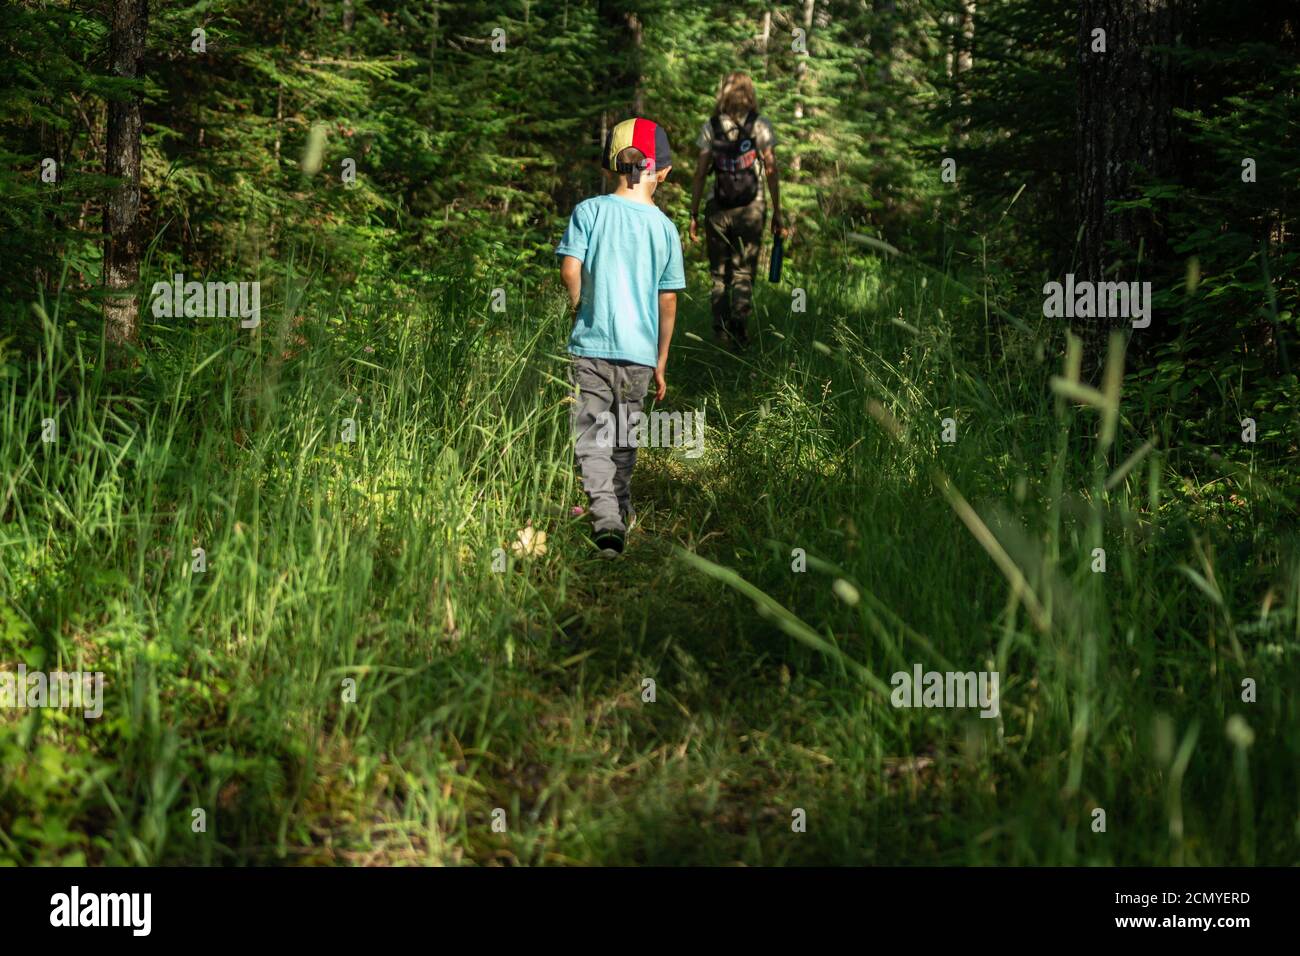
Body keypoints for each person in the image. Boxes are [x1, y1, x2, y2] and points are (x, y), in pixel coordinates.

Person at [556, 118, 685, 557]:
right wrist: (661, 359)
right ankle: (619, 509)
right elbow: (667, 301)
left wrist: (579, 303)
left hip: (591, 348)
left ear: (612, 164)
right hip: (638, 356)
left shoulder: (589, 211)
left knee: (591, 438)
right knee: (625, 439)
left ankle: (607, 516)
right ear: (662, 172)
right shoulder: (664, 228)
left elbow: (570, 269)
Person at [689, 72, 785, 348]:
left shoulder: (712, 126)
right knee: (743, 273)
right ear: (750, 92)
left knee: (719, 274)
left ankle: (719, 333)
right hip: (751, 208)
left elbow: (699, 173)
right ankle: (739, 328)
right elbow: (771, 169)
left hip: (717, 208)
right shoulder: (760, 125)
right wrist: (777, 211)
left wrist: (694, 213)